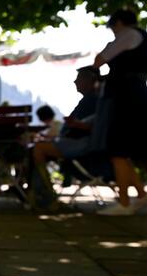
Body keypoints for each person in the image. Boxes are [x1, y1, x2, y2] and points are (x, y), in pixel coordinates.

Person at [91, 9, 147, 216]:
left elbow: (99, 59)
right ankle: (140, 194)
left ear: (118, 22)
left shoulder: (128, 35)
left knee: (117, 148)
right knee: (123, 150)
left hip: (125, 96)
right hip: (138, 93)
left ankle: (124, 202)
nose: (112, 32)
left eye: (112, 28)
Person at [28, 66, 102, 208]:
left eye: (78, 79)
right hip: (76, 142)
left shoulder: (92, 100)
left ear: (88, 81)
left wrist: (75, 125)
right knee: (36, 150)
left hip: (82, 144)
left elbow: (90, 125)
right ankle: (40, 194)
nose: (75, 82)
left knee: (38, 149)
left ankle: (47, 194)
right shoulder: (92, 99)